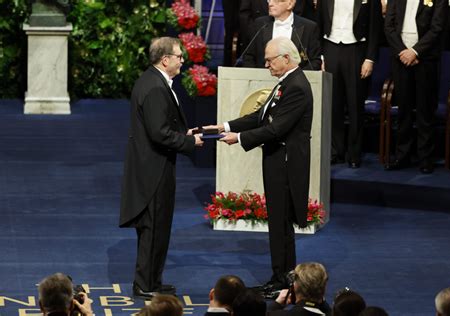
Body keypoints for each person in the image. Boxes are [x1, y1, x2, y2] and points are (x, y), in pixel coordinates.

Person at [207, 37, 314, 293]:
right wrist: (227, 126)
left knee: (281, 224)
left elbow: (277, 129)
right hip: (277, 162)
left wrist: (240, 138)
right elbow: (261, 116)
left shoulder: (297, 86)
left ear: (287, 59)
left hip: (286, 165)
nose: (266, 64)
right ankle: (281, 277)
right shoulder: (285, 83)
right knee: (278, 223)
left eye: (270, 59)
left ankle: (284, 280)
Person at [119, 36, 203, 299]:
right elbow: (158, 133)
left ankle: (153, 280)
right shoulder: (155, 86)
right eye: (179, 56)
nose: (182, 60)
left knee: (158, 226)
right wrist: (189, 141)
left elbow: (161, 125)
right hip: (153, 170)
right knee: (153, 227)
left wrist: (183, 132)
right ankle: (145, 284)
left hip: (155, 165)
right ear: (165, 59)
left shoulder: (154, 81)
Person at [315, 0, 383, 168]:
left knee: (355, 105)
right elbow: (318, 23)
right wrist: (320, 57)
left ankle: (354, 153)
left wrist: (370, 58)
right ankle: (335, 151)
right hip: (330, 47)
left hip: (357, 49)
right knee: (333, 104)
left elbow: (375, 28)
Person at [384, 0, 448, 174]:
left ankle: (425, 158)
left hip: (425, 59)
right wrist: (402, 52)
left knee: (425, 111)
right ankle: (402, 155)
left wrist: (415, 51)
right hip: (400, 58)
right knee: (403, 110)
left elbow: (437, 27)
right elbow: (388, 26)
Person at [241, 0, 322, 70]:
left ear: (290, 4)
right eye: (270, 0)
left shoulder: (309, 27)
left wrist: (297, 77)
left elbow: (315, 62)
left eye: (276, 1)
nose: (270, 4)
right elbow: (249, 57)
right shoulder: (260, 24)